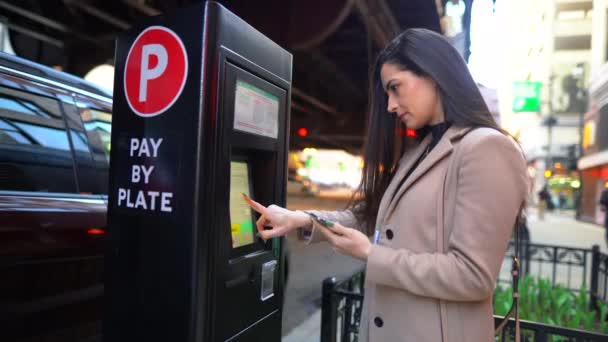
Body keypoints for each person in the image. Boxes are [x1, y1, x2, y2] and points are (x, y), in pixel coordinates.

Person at [245, 28, 528, 341]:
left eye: (396, 88)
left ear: (433, 74)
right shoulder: (419, 149)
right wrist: (305, 219)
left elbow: (472, 276)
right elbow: (372, 215)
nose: (391, 105)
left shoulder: (486, 148)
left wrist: (371, 254)